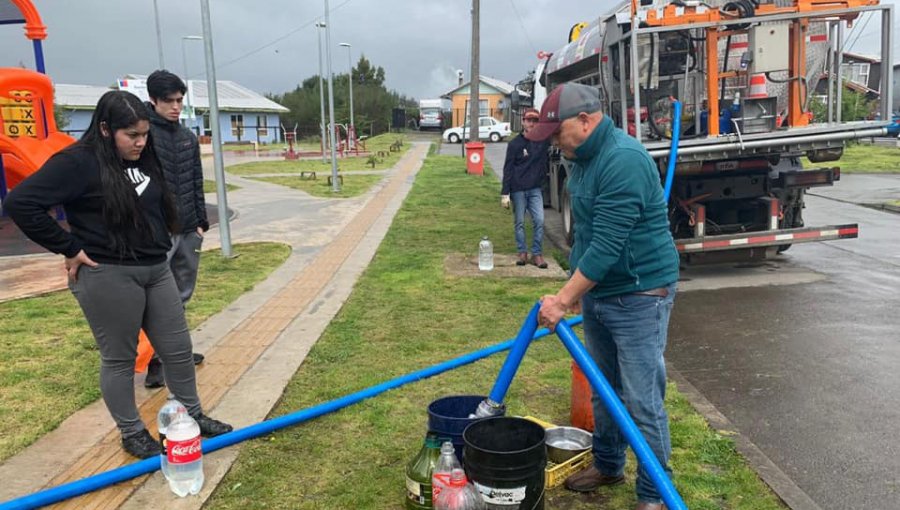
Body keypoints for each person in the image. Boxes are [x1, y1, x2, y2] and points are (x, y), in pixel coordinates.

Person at [5, 90, 232, 459]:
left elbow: (157, 203)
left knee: (177, 350)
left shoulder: (144, 153)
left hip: (155, 268)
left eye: (144, 134)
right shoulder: (78, 162)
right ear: (107, 130)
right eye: (133, 135)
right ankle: (131, 431)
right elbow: (21, 202)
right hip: (108, 273)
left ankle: (191, 415)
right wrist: (69, 247)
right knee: (120, 359)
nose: (141, 142)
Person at [528, 83, 679, 510]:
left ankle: (654, 494)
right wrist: (578, 293)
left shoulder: (623, 160)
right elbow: (586, 236)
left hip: (640, 294)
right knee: (602, 387)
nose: (555, 144)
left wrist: (562, 298)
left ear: (585, 121)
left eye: (558, 134)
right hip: (601, 294)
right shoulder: (582, 158)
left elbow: (608, 246)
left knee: (641, 398)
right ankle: (609, 465)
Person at [142, 69, 209, 389]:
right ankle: (155, 362)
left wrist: (200, 223)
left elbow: (196, 181)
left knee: (181, 295)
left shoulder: (186, 137)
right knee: (156, 300)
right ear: (153, 100)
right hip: (157, 234)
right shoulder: (142, 137)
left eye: (179, 100)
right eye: (167, 101)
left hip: (188, 230)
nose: (174, 107)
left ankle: (176, 352)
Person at [501, 108, 550, 268]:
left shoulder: (543, 141)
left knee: (539, 220)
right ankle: (522, 252)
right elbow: (508, 168)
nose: (532, 123)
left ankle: (537, 254)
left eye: (535, 120)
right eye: (529, 120)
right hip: (518, 189)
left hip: (535, 188)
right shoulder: (515, 144)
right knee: (520, 222)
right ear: (523, 122)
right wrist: (505, 193)